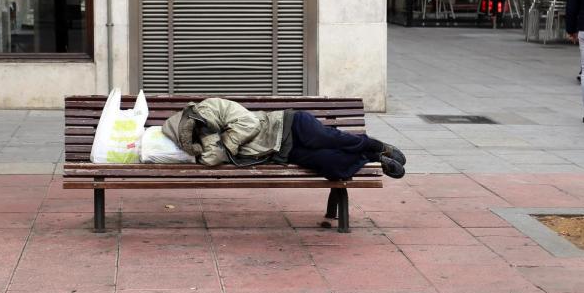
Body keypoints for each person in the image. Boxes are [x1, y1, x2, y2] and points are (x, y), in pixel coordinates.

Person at [161, 98, 406, 180]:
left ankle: (376, 146)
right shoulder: (202, 144)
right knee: (331, 165)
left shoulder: (212, 106)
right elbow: (212, 159)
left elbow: (249, 123)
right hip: (280, 153)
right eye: (195, 133)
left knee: (329, 139)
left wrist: (224, 142)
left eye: (197, 125)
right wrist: (221, 142)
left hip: (289, 125)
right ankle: (372, 159)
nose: (202, 128)